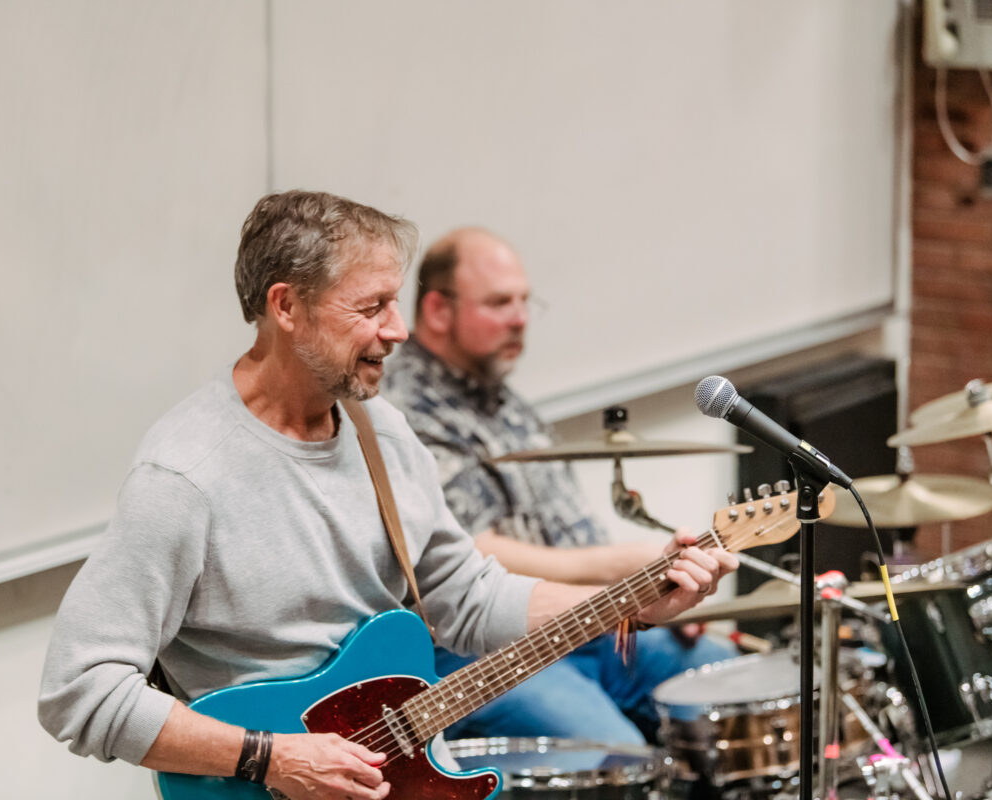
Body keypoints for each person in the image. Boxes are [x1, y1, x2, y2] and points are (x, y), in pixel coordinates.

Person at [37, 191, 736, 800]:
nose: (398, 331)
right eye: (371, 308)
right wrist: (273, 757)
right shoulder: (185, 476)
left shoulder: (384, 435)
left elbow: (466, 598)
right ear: (286, 306)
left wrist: (627, 604)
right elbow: (79, 690)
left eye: (394, 303)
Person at [382, 227, 737, 746]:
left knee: (728, 685)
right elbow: (478, 559)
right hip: (491, 654)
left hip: (587, 628)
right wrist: (628, 570)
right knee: (618, 759)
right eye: (500, 303)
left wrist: (647, 589)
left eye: (525, 302)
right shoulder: (404, 410)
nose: (520, 318)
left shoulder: (505, 400)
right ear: (438, 311)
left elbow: (572, 534)